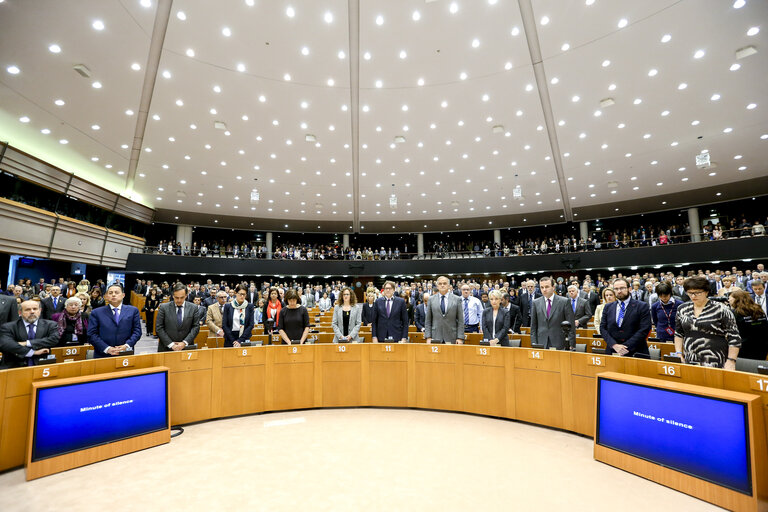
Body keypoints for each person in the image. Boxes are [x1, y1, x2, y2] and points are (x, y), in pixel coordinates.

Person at [674, 276, 741, 369]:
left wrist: (731, 360)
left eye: (697, 293)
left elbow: (734, 337)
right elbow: (678, 333)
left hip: (716, 359)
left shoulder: (721, 309)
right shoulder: (682, 308)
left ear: (706, 292)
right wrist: (678, 353)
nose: (693, 296)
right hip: (690, 359)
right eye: (690, 293)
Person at [599, 278, 651, 357]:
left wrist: (625, 347)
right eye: (616, 289)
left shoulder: (641, 306)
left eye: (622, 288)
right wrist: (614, 345)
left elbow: (645, 329)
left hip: (636, 351)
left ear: (629, 289)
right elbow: (603, 328)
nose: (619, 291)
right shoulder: (608, 307)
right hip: (613, 350)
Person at [87, 284, 142, 357]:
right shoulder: (96, 312)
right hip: (103, 353)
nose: (113, 295)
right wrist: (107, 348)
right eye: (110, 293)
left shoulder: (133, 310)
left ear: (123, 295)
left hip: (125, 353)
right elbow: (92, 334)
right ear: (106, 296)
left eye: (116, 292)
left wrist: (127, 345)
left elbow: (137, 331)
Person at [0, 300, 57, 368]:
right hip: (15, 365)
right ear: (20, 312)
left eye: (35, 309)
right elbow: (7, 344)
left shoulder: (51, 325)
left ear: (40, 311)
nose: (32, 312)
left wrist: (27, 343)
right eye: (27, 310)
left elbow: (54, 339)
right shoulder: (8, 327)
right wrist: (33, 352)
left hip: (42, 365)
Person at [530, 277, 576, 350]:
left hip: (559, 342)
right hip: (541, 342)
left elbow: (571, 325)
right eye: (542, 287)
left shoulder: (564, 302)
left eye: (547, 287)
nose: (544, 289)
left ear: (553, 287)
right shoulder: (536, 303)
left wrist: (571, 343)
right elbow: (533, 326)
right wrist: (534, 343)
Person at [156, 283, 201, 352]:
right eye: (176, 297)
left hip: (186, 348)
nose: (179, 300)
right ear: (173, 296)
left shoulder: (193, 308)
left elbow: (196, 327)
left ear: (186, 296)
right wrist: (171, 345)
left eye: (182, 297)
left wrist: (184, 343)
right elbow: (159, 328)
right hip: (166, 348)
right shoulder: (163, 307)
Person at [728, 289, 768, 360]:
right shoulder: (759, 310)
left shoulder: (735, 313)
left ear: (736, 300)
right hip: (761, 347)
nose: (728, 301)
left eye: (730, 299)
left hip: (743, 349)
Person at [425, 276, 464, 344]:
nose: (442, 285)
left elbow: (461, 320)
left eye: (444, 283)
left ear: (449, 285)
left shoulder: (457, 299)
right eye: (440, 284)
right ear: (437, 286)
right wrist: (428, 337)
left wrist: (460, 337)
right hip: (435, 336)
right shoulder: (431, 299)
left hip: (452, 336)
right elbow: (428, 320)